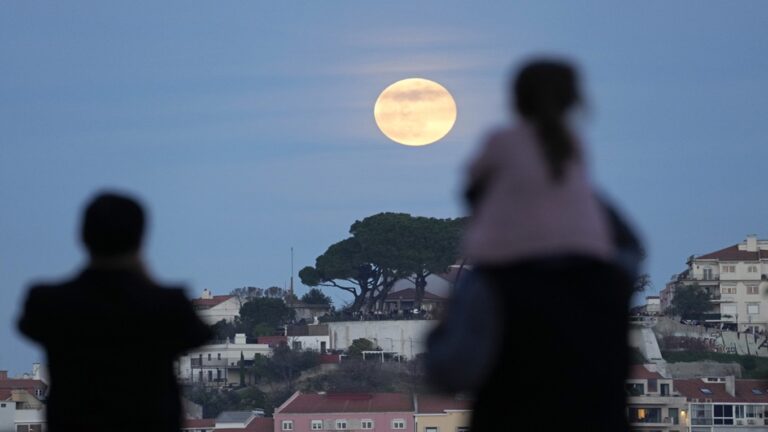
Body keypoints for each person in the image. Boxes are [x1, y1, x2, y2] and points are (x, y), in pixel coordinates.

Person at [461, 60, 635, 431]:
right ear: (573, 100)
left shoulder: (502, 141)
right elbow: (629, 245)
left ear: (516, 100)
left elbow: (473, 185)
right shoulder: (573, 144)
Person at [18, 192, 212, 432]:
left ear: (83, 236)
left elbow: (27, 325)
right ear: (141, 239)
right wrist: (142, 276)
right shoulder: (166, 305)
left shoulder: (49, 302)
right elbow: (198, 335)